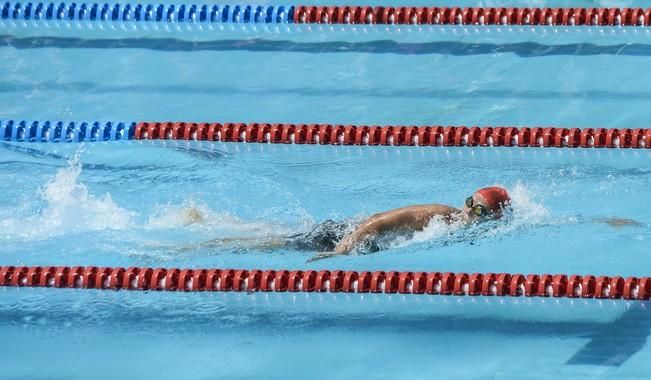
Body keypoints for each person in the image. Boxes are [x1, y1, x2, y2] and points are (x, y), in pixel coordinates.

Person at [186, 186, 514, 260]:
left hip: (351, 233)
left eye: (480, 212)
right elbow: (379, 222)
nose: (470, 213)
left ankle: (206, 221)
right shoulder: (438, 214)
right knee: (274, 244)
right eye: (470, 204)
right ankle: (196, 244)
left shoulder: (453, 224)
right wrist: (343, 250)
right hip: (348, 235)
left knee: (280, 235)